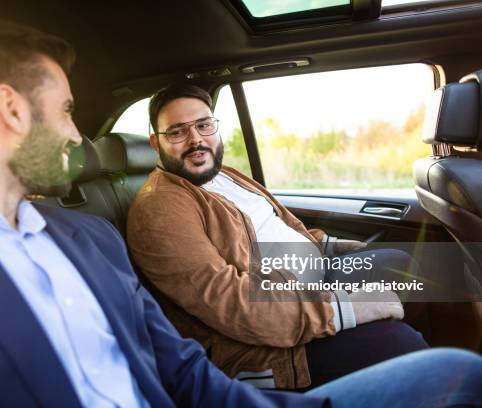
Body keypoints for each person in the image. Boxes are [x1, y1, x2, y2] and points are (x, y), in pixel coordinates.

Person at [0, 19, 482, 408]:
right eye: (68, 111)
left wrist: (338, 263)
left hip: (271, 329)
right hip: (269, 339)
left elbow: (181, 371)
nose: (79, 135)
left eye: (204, 125)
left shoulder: (88, 239)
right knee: (415, 339)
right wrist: (346, 305)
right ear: (12, 110)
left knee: (458, 361)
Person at [127, 84, 428, 389]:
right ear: (156, 142)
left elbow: (277, 223)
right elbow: (230, 303)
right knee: (400, 344)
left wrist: (327, 245)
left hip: (304, 289)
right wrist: (343, 309)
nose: (196, 140)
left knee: (398, 266)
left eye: (204, 125)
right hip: (262, 346)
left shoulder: (224, 174)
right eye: (178, 131)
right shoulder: (160, 207)